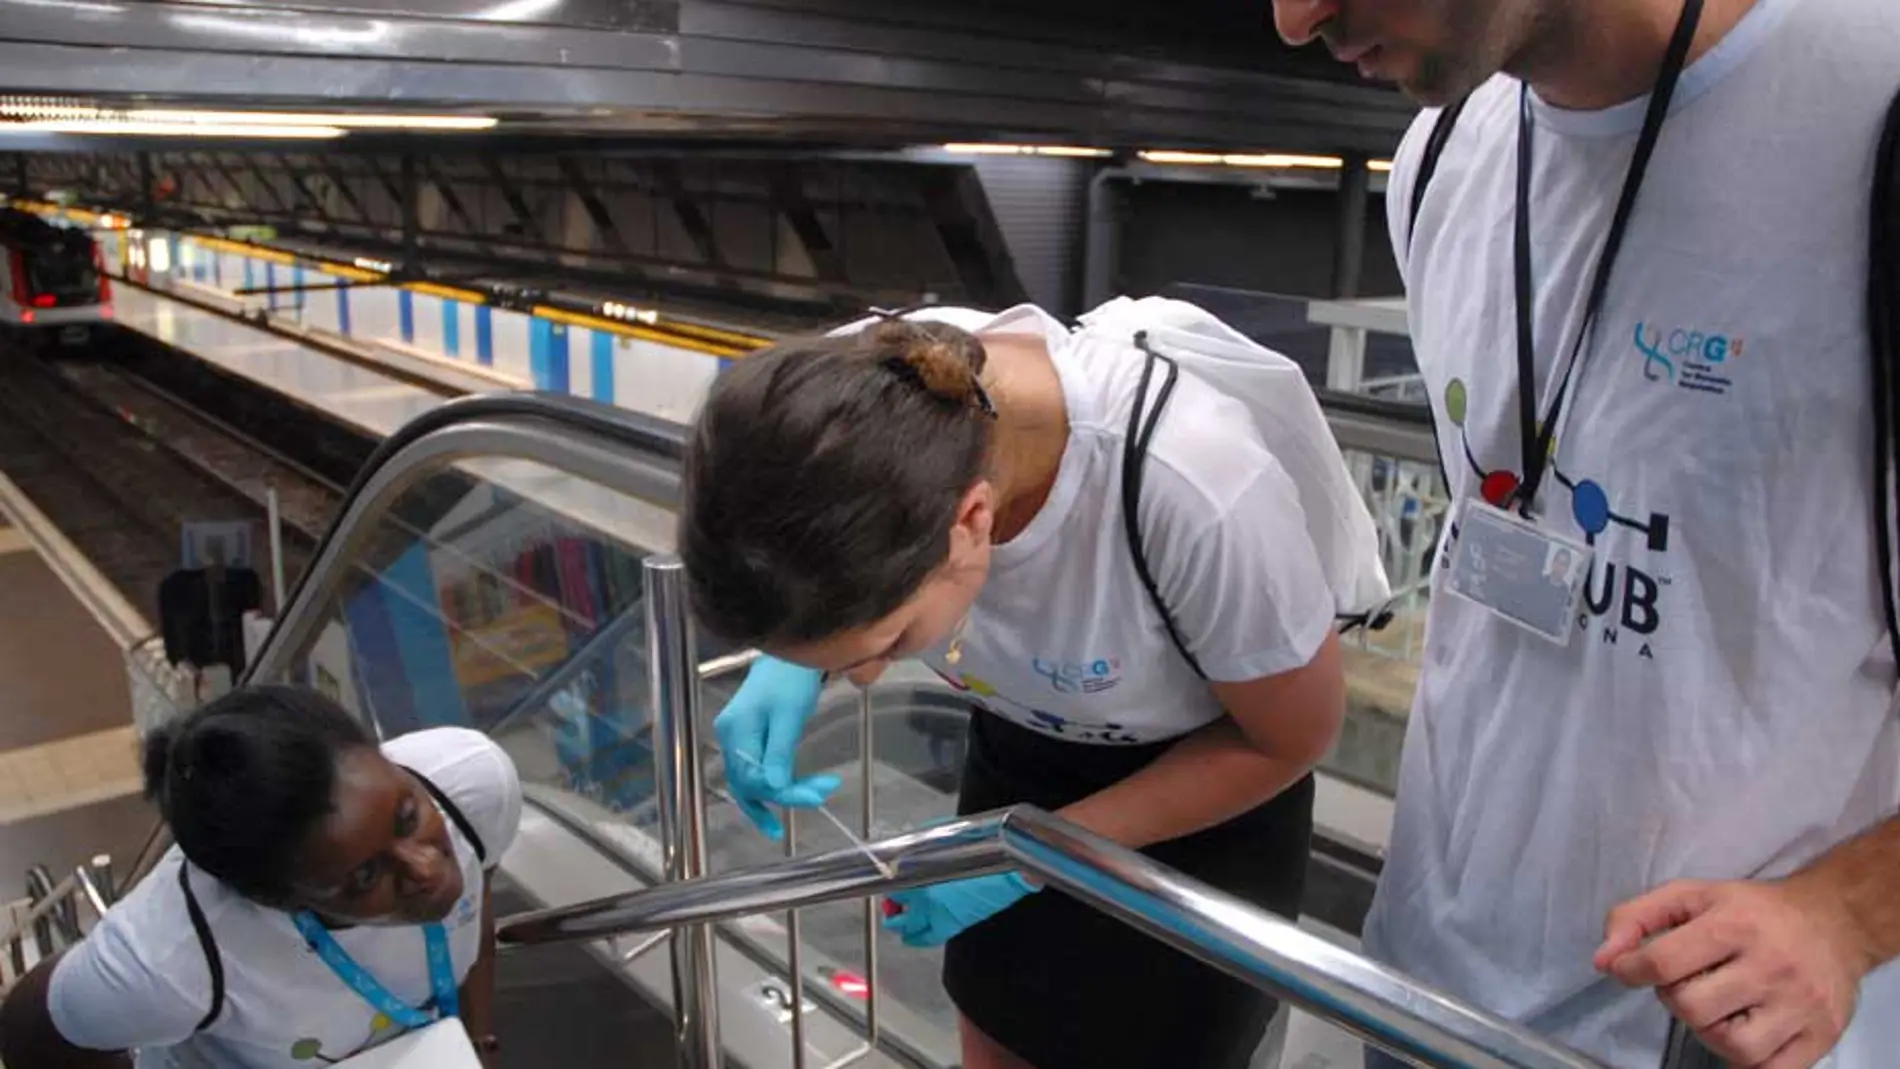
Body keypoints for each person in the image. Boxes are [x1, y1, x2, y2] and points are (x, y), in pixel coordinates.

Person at [1268, 0, 1900, 1066]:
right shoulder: (1439, 157)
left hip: (1719, 1033)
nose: (1295, 20)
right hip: (1421, 988)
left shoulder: (1866, 119)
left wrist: (1846, 913)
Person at [679, 307, 1349, 1069]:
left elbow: (1289, 736)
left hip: (1204, 807)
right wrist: (792, 658)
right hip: (1016, 767)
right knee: (1001, 1018)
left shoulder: (1194, 486)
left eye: (889, 644)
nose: (864, 678)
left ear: (972, 520)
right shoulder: (839, 415)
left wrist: (1024, 855)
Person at [0, 685, 524, 1069]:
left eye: (407, 816)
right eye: (365, 876)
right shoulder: (172, 962)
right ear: (278, 898)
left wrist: (478, 1039)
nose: (427, 868)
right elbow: (30, 1027)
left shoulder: (469, 785)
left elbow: (470, 907)